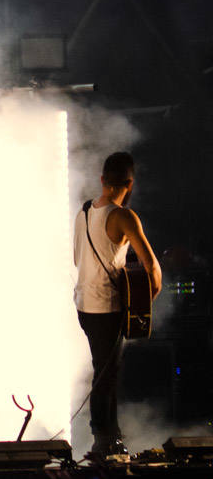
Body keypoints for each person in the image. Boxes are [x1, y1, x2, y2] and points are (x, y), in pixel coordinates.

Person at [72, 151, 161, 458]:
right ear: (130, 184)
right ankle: (104, 440)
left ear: (102, 180)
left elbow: (76, 259)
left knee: (104, 369)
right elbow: (152, 268)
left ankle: (110, 436)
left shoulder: (83, 212)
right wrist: (143, 303)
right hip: (106, 305)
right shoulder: (123, 216)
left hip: (84, 303)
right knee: (106, 374)